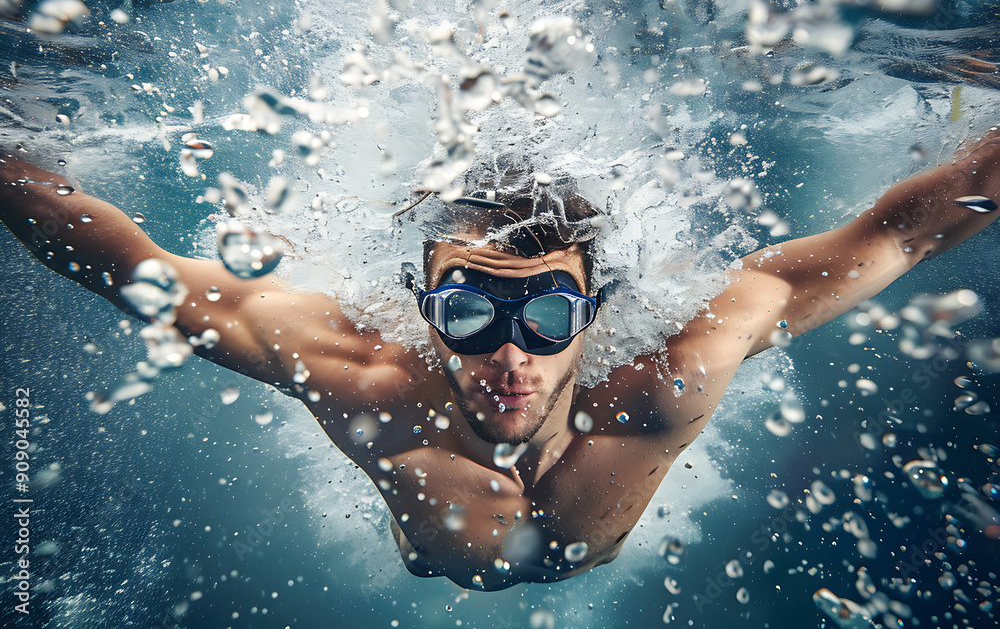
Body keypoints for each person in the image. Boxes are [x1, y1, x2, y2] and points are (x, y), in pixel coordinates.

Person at [1, 134, 999, 591]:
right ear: (425, 309)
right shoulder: (356, 374)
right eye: (470, 312)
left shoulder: (673, 368)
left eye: (550, 313)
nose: (511, 354)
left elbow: (904, 233)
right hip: (435, 557)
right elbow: (120, 262)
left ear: (595, 310)